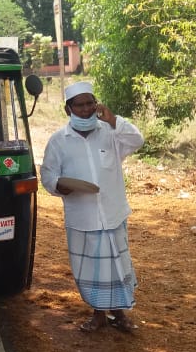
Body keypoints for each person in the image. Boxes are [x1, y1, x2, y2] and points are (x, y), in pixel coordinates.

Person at [40, 81, 145, 333]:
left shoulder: (111, 133)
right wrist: (58, 186)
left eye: (90, 103)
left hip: (112, 213)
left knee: (117, 267)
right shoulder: (58, 141)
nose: (86, 109)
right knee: (92, 270)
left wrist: (114, 120)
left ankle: (119, 315)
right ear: (68, 109)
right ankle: (98, 315)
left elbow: (137, 140)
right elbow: (47, 174)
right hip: (83, 218)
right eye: (80, 105)